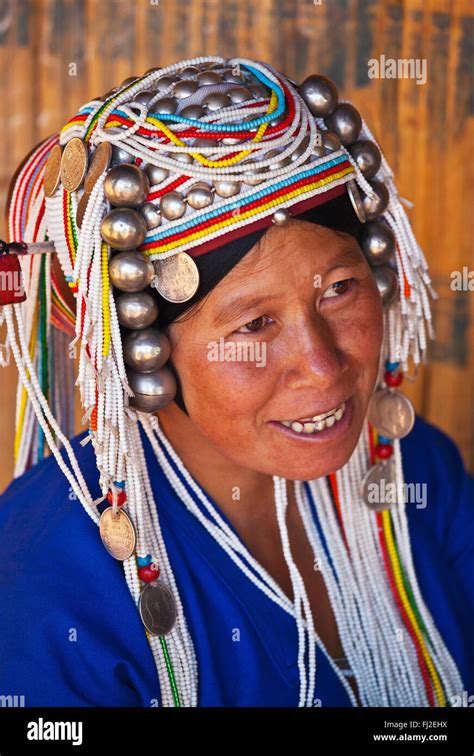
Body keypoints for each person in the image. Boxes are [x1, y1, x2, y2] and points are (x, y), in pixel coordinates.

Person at [0, 56, 472, 708]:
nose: (323, 364)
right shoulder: (43, 584)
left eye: (338, 289)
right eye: (253, 325)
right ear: (140, 349)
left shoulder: (417, 471)